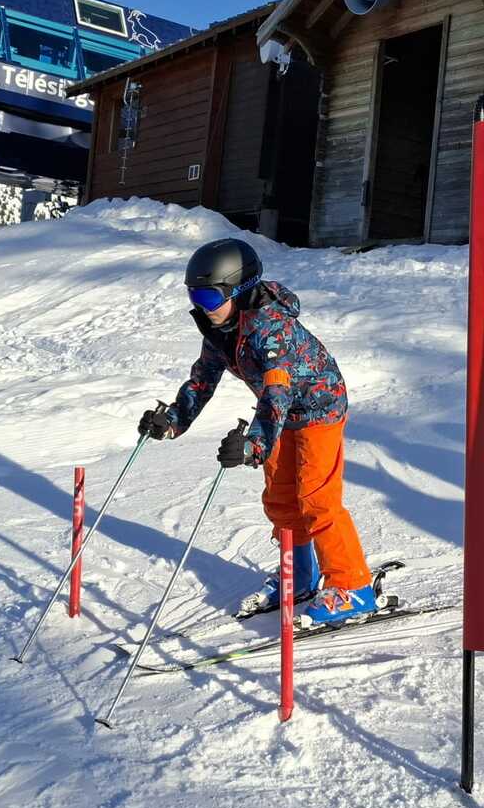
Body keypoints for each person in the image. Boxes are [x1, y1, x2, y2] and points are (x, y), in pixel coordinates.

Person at [138, 237, 376, 625]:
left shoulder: (271, 330)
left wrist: (254, 446)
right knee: (280, 499)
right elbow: (203, 379)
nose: (202, 306)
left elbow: (277, 394)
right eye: (194, 296)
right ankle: (300, 577)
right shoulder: (221, 328)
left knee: (316, 498)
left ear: (239, 290)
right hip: (279, 412)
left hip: (318, 408)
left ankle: (354, 586)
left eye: (209, 297)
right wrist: (173, 421)